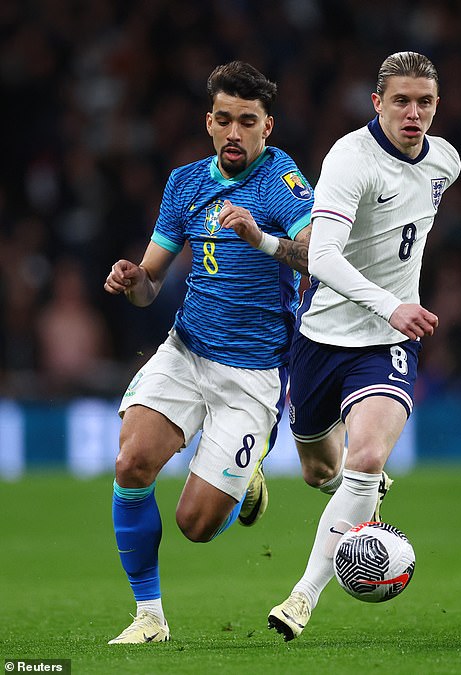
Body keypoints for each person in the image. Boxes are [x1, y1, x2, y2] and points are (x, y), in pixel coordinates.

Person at [104, 61, 313, 644]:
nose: (234, 133)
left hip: (252, 374)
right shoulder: (185, 185)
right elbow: (149, 286)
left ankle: (248, 480)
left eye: (248, 121)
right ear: (209, 122)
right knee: (131, 463)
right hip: (187, 349)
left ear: (267, 126)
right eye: (224, 120)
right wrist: (132, 279)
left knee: (195, 525)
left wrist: (261, 238)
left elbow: (316, 254)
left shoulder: (283, 182)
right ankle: (149, 617)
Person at [267, 51, 461, 641]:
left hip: (386, 343)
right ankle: (362, 495)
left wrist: (396, 312)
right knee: (318, 470)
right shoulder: (351, 159)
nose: (413, 113)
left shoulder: (446, 161)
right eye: (401, 100)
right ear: (376, 102)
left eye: (424, 102)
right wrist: (392, 301)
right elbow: (323, 257)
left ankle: (301, 597)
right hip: (321, 337)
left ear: (436, 106)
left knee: (368, 459)